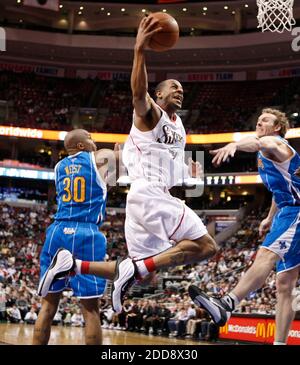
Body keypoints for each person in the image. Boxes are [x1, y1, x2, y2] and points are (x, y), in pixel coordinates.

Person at [37, 14, 218, 314]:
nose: (179, 89)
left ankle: (74, 265)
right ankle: (133, 271)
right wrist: (140, 51)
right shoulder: (151, 115)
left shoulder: (178, 127)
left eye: (182, 88)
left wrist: (188, 172)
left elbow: (163, 161)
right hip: (149, 195)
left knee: (146, 273)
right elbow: (137, 93)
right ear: (157, 95)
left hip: (144, 198)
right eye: (172, 86)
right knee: (207, 246)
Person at [189, 108, 300, 345]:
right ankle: (280, 343)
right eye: (258, 119)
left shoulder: (276, 144)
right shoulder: (266, 154)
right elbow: (279, 191)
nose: (260, 122)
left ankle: (227, 303)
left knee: (266, 255)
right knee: (284, 284)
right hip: (287, 211)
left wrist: (234, 145)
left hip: (297, 211)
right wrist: (270, 217)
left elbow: (260, 143)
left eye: (265, 120)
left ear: (277, 127)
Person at [33, 129, 118, 345]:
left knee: (48, 305)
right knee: (90, 309)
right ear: (81, 145)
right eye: (90, 138)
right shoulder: (99, 158)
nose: (95, 141)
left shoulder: (58, 167)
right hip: (85, 232)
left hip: (58, 231)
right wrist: (119, 154)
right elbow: (128, 159)